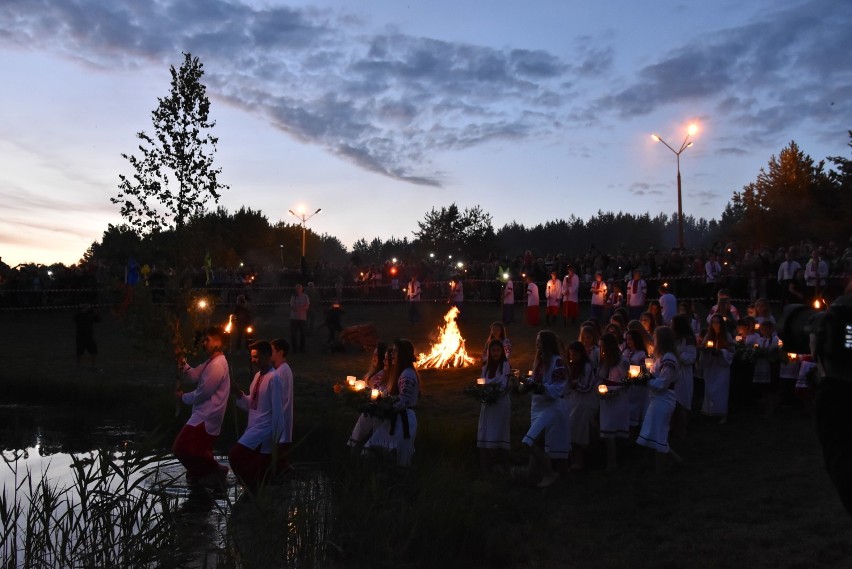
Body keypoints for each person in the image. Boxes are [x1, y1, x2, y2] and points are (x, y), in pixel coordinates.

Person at [173, 326, 231, 491]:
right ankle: (201, 476)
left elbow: (202, 394)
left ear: (218, 342)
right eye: (204, 340)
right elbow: (192, 375)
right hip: (202, 415)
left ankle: (216, 470)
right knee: (197, 450)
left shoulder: (218, 365)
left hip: (206, 417)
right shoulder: (211, 362)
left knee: (181, 447)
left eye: (208, 340)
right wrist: (181, 360)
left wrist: (182, 397)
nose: (204, 343)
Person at [229, 341, 287, 492]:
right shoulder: (256, 377)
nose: (253, 360)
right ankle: (256, 491)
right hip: (253, 427)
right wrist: (237, 393)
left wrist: (277, 439)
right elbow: (252, 405)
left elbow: (278, 412)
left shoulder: (274, 378)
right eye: (251, 357)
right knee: (257, 467)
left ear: (267, 356)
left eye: (256, 357)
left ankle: (252, 488)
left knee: (235, 455)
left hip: (265, 430)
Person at [520, 330, 570, 487]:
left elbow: (558, 388)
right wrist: (524, 383)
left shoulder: (557, 362)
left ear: (547, 343)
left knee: (529, 441)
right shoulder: (539, 361)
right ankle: (533, 473)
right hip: (537, 406)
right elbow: (536, 380)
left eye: (540, 341)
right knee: (539, 441)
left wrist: (537, 386)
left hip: (551, 407)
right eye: (536, 341)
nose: (537, 344)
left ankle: (550, 474)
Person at [364, 339, 420, 467]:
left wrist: (382, 406)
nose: (392, 354)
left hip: (404, 420)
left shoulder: (407, 374)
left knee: (398, 458)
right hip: (398, 419)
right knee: (376, 449)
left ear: (402, 354)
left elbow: (403, 401)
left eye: (395, 351)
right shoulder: (403, 373)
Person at [636, 326, 683, 472]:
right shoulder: (662, 357)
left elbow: (663, 383)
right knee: (652, 431)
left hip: (664, 400)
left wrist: (645, 380)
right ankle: (675, 460)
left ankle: (660, 469)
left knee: (660, 433)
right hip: (656, 399)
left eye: (655, 339)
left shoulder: (669, 359)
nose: (653, 341)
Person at [477, 339, 512, 471]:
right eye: (493, 350)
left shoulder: (505, 365)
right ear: (489, 352)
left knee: (498, 431)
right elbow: (482, 383)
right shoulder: (485, 368)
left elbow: (503, 384)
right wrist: (482, 392)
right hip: (488, 404)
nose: (495, 353)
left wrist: (492, 390)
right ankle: (487, 465)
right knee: (486, 431)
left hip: (500, 403)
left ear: (501, 351)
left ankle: (501, 463)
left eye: (498, 350)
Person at [348, 343, 390, 449]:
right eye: (373, 355)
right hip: (369, 411)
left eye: (377, 355)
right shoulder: (372, 374)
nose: (374, 358)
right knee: (357, 436)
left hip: (377, 411)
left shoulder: (382, 375)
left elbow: (376, 392)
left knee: (374, 441)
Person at [598, 333, 629, 470]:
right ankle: (610, 461)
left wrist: (612, 389)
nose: (602, 350)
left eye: (604, 347)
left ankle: (615, 462)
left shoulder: (622, 361)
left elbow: (626, 382)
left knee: (614, 430)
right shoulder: (604, 361)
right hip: (606, 401)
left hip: (618, 399)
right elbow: (599, 378)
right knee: (607, 431)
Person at [566, 340, 596, 471]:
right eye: (570, 355)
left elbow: (587, 386)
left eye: (574, 355)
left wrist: (574, 384)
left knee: (577, 430)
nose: (572, 357)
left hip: (583, 402)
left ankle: (579, 460)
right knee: (571, 429)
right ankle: (572, 458)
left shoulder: (586, 367)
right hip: (572, 400)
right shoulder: (571, 366)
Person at [700, 314, 734, 424]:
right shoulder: (708, 335)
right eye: (713, 322)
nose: (715, 325)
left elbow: (731, 351)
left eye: (717, 322)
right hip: (711, 366)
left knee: (721, 390)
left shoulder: (727, 336)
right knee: (710, 389)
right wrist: (706, 351)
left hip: (722, 367)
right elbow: (703, 348)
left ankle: (722, 413)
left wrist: (721, 352)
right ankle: (710, 411)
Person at [671, 314, 698, 441]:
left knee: (682, 403)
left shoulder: (688, 340)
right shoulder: (673, 339)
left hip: (684, 374)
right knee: (673, 404)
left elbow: (691, 358)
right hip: (673, 373)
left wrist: (677, 355)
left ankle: (683, 432)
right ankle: (674, 429)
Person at [271, 338, 294, 472]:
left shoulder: (283, 371)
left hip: (280, 425)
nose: (270, 353)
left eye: (272, 351)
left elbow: (282, 400)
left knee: (280, 463)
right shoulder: (279, 370)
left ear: (281, 352)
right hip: (279, 424)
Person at [73, 304, 101, 369]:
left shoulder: (91, 315)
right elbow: (74, 318)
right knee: (79, 351)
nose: (87, 309)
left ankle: (93, 365)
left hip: (89, 336)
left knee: (93, 351)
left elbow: (99, 320)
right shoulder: (79, 315)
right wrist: (83, 311)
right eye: (85, 307)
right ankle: (78, 365)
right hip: (80, 336)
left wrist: (96, 313)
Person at [290, 284, 310, 353]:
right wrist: (299, 308)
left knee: (303, 334)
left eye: (299, 288)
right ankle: (294, 349)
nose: (298, 290)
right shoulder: (293, 297)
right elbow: (292, 306)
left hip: (302, 318)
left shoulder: (305, 296)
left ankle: (302, 349)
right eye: (297, 289)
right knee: (293, 334)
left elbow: (307, 306)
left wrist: (299, 308)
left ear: (302, 289)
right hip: (294, 318)